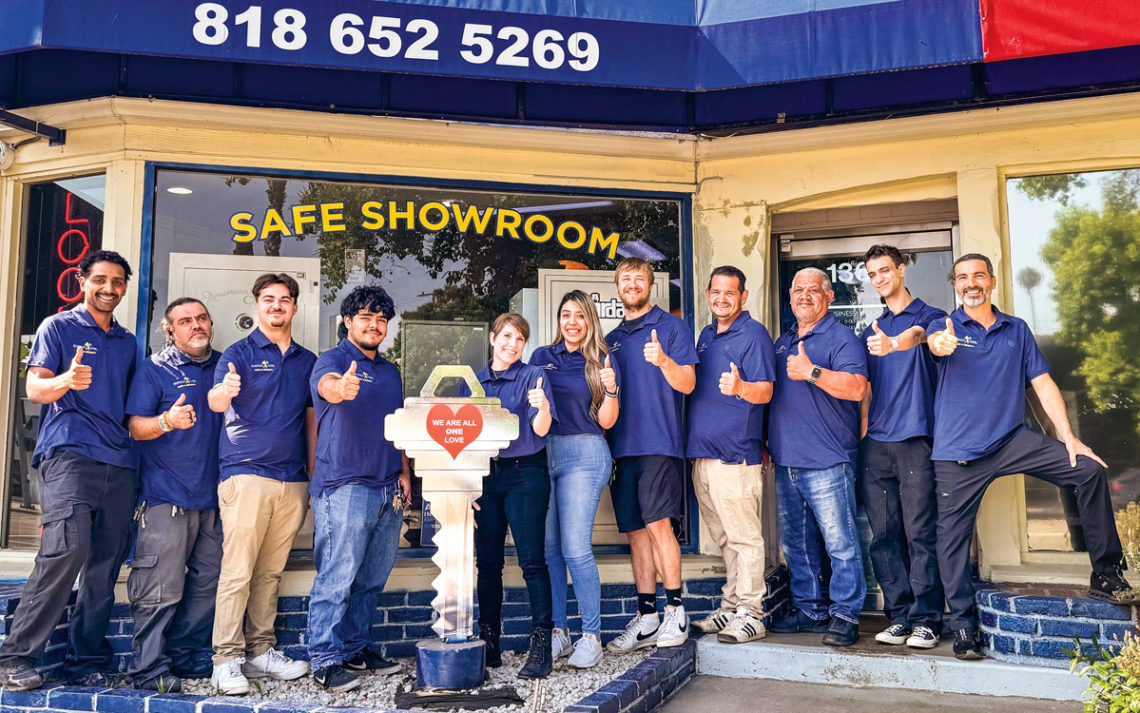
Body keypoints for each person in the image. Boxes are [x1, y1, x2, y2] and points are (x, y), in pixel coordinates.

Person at [925, 253, 1136, 660]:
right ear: (956, 285)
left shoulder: (1015, 329)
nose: (971, 283)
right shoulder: (945, 324)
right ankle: (964, 627)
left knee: (1088, 469)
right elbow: (935, 344)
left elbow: (1042, 382)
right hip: (958, 453)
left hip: (1010, 439)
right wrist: (940, 342)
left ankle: (1106, 573)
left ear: (992, 281)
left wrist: (1069, 437)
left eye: (979, 276)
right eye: (963, 277)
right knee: (950, 539)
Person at [0, 250, 138, 691]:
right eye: (101, 280)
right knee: (65, 550)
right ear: (82, 280)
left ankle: (86, 659)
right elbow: (34, 386)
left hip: (119, 461)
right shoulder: (57, 327)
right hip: (70, 455)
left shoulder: (128, 341)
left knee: (104, 563)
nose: (109, 289)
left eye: (118, 282)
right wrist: (65, 381)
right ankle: (15, 657)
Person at [207, 273, 317, 694]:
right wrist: (225, 390)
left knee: (270, 574)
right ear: (257, 306)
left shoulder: (307, 361)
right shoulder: (237, 353)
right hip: (246, 474)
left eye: (284, 300)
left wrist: (311, 477)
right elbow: (216, 401)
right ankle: (226, 659)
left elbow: (310, 422)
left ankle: (259, 652)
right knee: (237, 573)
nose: (276, 306)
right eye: (268, 299)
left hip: (292, 481)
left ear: (294, 307)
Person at [306, 286, 410, 692]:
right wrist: (340, 388)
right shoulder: (332, 361)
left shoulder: (389, 371)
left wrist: (403, 473)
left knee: (370, 578)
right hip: (344, 486)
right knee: (337, 575)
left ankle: (357, 648)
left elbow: (397, 427)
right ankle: (324, 659)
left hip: (387, 487)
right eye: (366, 317)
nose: (374, 325)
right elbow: (329, 385)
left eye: (381, 319)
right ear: (347, 321)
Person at [125, 298, 224, 692]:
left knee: (207, 585)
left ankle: (185, 657)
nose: (195, 326)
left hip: (216, 500)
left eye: (201, 319)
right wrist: (167, 420)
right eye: (185, 321)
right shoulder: (154, 369)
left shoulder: (226, 365)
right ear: (170, 330)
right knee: (159, 588)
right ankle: (148, 669)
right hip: (167, 497)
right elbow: (135, 427)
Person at [768, 267, 868, 647]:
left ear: (828, 297)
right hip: (786, 462)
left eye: (814, 290)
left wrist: (812, 371)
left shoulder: (842, 338)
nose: (804, 296)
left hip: (828, 460)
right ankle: (810, 609)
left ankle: (845, 614)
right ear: (790, 297)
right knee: (797, 544)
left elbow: (857, 388)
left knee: (839, 543)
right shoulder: (783, 341)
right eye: (798, 290)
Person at [604, 258, 698, 653]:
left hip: (660, 444)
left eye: (638, 279)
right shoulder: (610, 339)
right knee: (636, 535)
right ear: (618, 287)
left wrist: (663, 361)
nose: (631, 284)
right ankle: (647, 618)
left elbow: (689, 383)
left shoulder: (672, 327)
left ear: (650, 285)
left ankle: (676, 609)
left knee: (660, 527)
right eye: (625, 279)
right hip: (622, 449)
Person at [857, 245, 948, 650]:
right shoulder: (870, 331)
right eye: (872, 274)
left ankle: (927, 619)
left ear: (901, 270)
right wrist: (862, 433)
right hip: (876, 444)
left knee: (920, 533)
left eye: (884, 271)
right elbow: (866, 391)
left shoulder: (930, 317)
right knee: (884, 536)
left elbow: (921, 337)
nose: (879, 279)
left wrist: (896, 343)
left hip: (915, 440)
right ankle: (899, 616)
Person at [529, 291, 620, 669]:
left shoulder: (602, 359)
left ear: (590, 320)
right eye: (566, 315)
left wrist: (612, 388)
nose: (571, 322)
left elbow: (608, 421)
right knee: (550, 550)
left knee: (575, 548)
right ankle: (559, 633)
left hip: (585, 454)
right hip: (544, 453)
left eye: (579, 316)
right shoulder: (541, 358)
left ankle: (591, 636)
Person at [686, 266, 775, 644]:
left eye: (730, 293)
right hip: (703, 457)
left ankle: (752, 613)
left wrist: (740, 387)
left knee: (745, 539)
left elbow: (767, 391)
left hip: (735, 457)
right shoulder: (706, 336)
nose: (722, 299)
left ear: (743, 296)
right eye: (716, 292)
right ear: (708, 294)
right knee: (725, 539)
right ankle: (731, 606)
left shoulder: (753, 334)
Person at [468, 313, 558, 679]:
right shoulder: (473, 382)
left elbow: (540, 430)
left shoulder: (534, 376)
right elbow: (462, 438)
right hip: (486, 477)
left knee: (532, 562)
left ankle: (541, 644)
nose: (512, 344)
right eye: (506, 336)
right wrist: (467, 486)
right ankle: (489, 642)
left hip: (526, 473)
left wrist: (544, 407)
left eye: (520, 339)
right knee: (488, 565)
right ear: (493, 338)